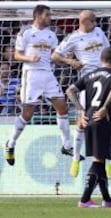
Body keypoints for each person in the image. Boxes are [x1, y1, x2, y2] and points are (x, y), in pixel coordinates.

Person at [4, 4, 73, 166]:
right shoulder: (26, 33)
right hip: (32, 75)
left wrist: (66, 57)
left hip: (48, 74)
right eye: (47, 15)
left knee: (62, 107)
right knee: (28, 113)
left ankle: (66, 145)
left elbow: (55, 55)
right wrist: (29, 59)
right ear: (38, 16)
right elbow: (16, 55)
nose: (50, 18)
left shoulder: (51, 35)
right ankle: (11, 143)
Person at [51, 10, 111, 177]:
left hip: (105, 79)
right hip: (87, 83)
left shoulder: (99, 32)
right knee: (83, 121)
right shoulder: (73, 38)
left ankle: (107, 162)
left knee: (105, 121)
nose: (97, 23)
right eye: (94, 20)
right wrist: (70, 61)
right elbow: (55, 56)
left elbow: (108, 51)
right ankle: (76, 158)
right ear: (86, 22)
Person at [66, 47, 111, 208]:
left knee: (100, 160)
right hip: (101, 120)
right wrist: (105, 107)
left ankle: (107, 199)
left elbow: (70, 90)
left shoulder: (89, 75)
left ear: (100, 59)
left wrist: (80, 110)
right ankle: (84, 200)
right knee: (98, 161)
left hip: (88, 119)